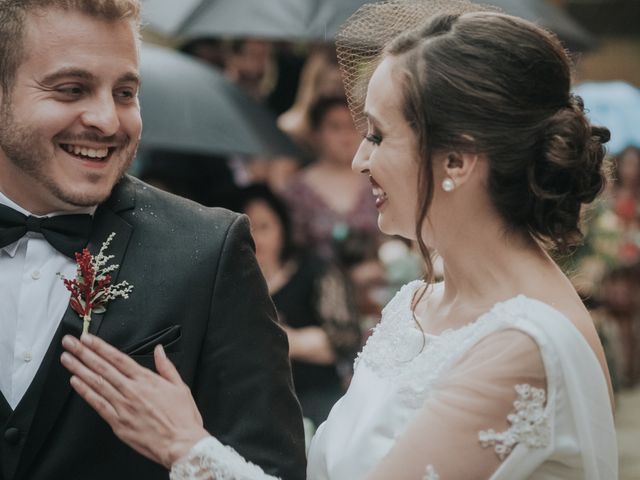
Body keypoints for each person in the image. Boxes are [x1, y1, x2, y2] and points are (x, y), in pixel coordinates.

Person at [60, 2, 618, 479]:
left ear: (457, 157)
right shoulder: (418, 302)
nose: (359, 160)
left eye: (377, 134)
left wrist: (187, 446)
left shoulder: (523, 345)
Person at [0, 1, 305, 479]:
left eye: (125, 92)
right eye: (71, 89)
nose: (106, 119)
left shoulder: (210, 251)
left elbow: (273, 468)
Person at [238, 184, 361, 427]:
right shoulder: (230, 282)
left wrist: (283, 339)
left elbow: (344, 339)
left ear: (282, 228)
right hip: (253, 402)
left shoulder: (313, 272)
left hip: (313, 398)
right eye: (247, 228)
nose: (256, 237)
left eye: (264, 227)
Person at [282, 96, 380, 263]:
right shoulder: (297, 190)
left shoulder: (377, 180)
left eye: (351, 126)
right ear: (316, 134)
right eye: (335, 127)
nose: (345, 136)